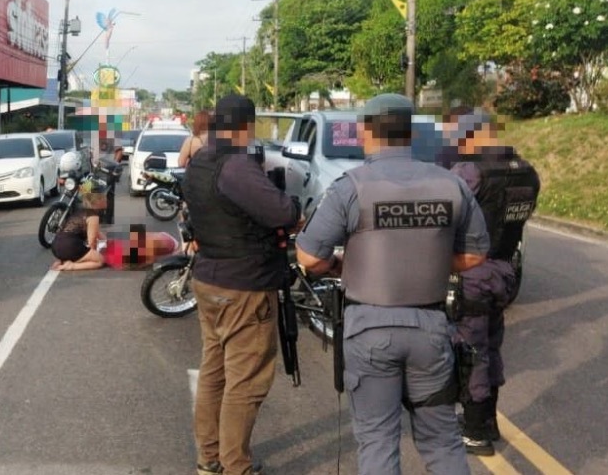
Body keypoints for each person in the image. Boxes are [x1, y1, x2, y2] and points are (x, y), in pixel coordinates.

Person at [295, 93, 490, 475]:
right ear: (412, 132)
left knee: (379, 440)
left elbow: (308, 258)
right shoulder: (451, 184)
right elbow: (475, 255)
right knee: (441, 440)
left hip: (369, 331)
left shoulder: (350, 187)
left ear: (366, 131)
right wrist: (429, 259)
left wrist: (341, 263)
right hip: (431, 331)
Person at [181, 94, 301, 475]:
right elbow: (281, 212)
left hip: (210, 279)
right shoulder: (235, 165)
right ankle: (236, 466)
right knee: (245, 382)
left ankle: (210, 459)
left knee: (215, 373)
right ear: (246, 126)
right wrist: (293, 205)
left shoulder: (200, 159)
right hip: (244, 285)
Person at [448, 110, 540, 456]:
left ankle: (474, 432)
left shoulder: (470, 171)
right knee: (491, 345)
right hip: (505, 270)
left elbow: (447, 213)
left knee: (472, 352)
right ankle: (489, 421)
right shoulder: (527, 171)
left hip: (474, 271)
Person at [51, 188, 108, 271]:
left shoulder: (80, 211)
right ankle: (71, 266)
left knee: (81, 253)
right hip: (69, 246)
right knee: (101, 260)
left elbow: (97, 233)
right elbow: (92, 242)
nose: (106, 201)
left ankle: (65, 259)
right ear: (97, 202)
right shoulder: (93, 216)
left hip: (56, 245)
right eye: (104, 199)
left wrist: (107, 243)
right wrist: (94, 254)